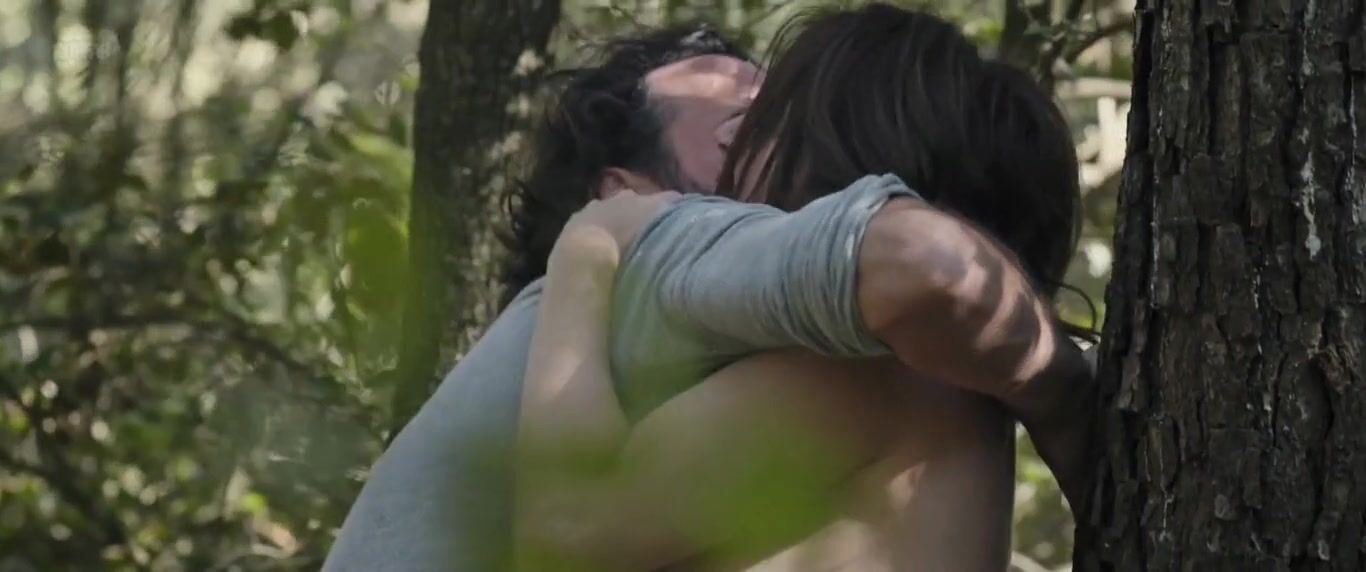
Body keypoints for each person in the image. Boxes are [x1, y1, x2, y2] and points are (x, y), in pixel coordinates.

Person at [324, 13, 1088, 572]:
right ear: (623, 193)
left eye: (773, 112)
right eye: (738, 124)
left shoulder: (894, 367)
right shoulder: (662, 237)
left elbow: (930, 268)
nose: (750, 138)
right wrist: (1072, 407)